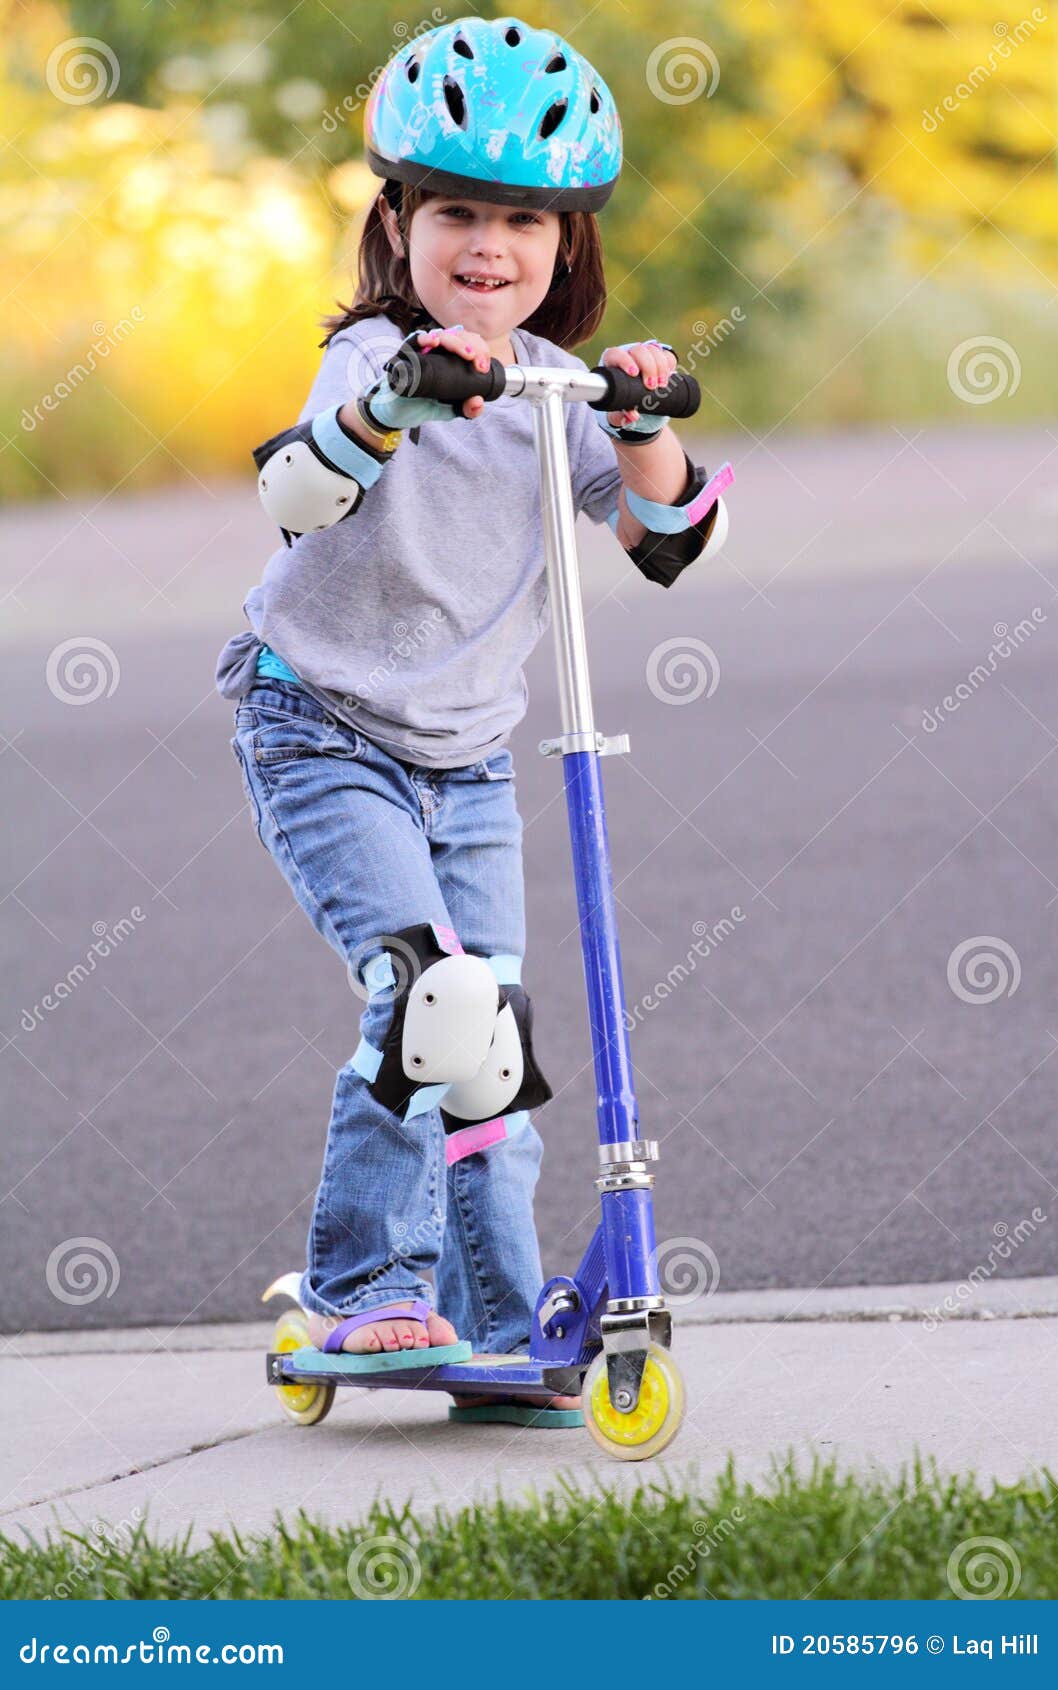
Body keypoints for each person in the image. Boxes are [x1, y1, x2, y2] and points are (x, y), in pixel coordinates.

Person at [216, 15, 729, 1417]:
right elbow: (296, 496)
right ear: (398, 219)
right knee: (424, 998)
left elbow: (669, 545)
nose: (488, 244)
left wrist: (644, 419)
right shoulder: (375, 355)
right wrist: (398, 401)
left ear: (568, 243)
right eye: (455, 211)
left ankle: (501, 1326)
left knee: (486, 1043)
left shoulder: (555, 391)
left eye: (522, 217)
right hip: (318, 724)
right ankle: (360, 1281)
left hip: (468, 760)